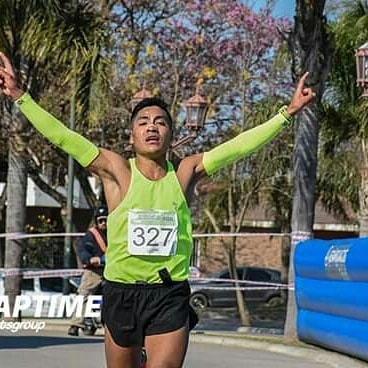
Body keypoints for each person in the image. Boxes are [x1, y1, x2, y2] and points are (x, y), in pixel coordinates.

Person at [0, 52, 315, 368]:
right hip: (122, 292)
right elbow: (65, 138)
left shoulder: (185, 172)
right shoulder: (117, 171)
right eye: (143, 122)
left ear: (171, 135)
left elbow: (234, 148)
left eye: (160, 122)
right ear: (131, 136)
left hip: (168, 294)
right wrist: (20, 96)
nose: (152, 127)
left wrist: (286, 113)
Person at [68, 205, 108, 336]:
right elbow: (83, 251)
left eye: (106, 220)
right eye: (101, 220)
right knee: (84, 295)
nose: (104, 223)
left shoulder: (115, 233)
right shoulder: (90, 236)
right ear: (96, 221)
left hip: (112, 270)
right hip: (94, 272)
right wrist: (91, 259)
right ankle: (75, 324)